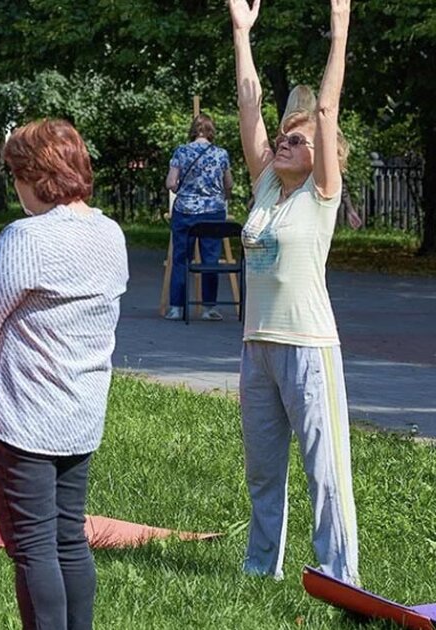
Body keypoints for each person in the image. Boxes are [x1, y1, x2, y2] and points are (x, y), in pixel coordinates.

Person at [0, 119, 128, 630]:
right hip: (79, 412)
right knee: (68, 539)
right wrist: (0, 257)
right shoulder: (109, 232)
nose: (15, 186)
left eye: (15, 175)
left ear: (34, 176)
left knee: (32, 549)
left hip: (21, 415)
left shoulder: (25, 237)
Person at [228, 0, 359, 584]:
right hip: (257, 346)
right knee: (263, 470)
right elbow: (249, 106)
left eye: (298, 141)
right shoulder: (264, 189)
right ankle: (262, 570)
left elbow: (325, 107)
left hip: (308, 346)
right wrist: (241, 34)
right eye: (284, 136)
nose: (284, 142)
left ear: (321, 157)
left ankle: (339, 576)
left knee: (324, 471)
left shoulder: (320, 193)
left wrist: (340, 31)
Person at [164, 114, 234, 321]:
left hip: (185, 210)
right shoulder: (221, 154)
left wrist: (183, 189)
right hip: (213, 212)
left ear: (193, 130)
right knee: (210, 259)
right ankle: (208, 308)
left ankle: (176, 308)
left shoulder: (181, 151)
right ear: (211, 130)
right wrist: (222, 196)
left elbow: (170, 183)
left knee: (180, 259)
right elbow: (228, 183)